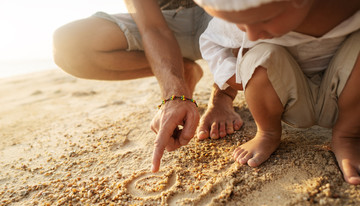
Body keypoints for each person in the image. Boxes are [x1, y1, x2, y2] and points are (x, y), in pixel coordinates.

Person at [52, 0, 243, 173]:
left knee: (249, 7)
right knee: (67, 46)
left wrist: (222, 96)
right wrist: (174, 95)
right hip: (164, 21)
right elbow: (153, 29)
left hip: (220, 10)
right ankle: (183, 70)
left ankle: (222, 98)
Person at [194, 0, 360, 184]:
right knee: (260, 57)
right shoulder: (244, 9)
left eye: (264, 19)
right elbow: (211, 42)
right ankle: (267, 132)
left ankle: (347, 135)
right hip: (289, 101)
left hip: (345, 99)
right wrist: (233, 75)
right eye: (241, 25)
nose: (252, 34)